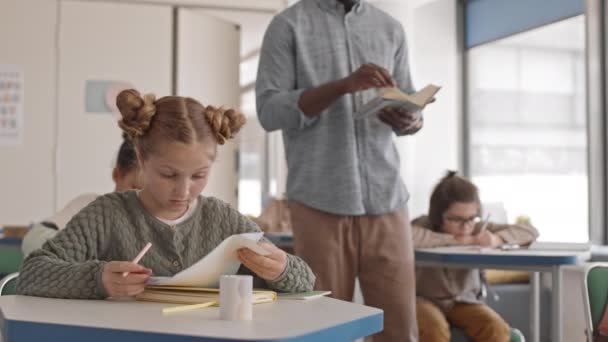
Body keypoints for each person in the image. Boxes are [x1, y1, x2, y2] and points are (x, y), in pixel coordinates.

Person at [16, 89, 315, 299]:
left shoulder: (223, 220)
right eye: (169, 175)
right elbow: (32, 274)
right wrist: (98, 279)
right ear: (142, 160)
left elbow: (306, 280)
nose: (183, 191)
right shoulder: (106, 214)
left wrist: (282, 269)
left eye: (199, 176)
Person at [255, 0, 423, 340]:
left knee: (401, 331)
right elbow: (269, 111)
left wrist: (411, 118)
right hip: (319, 202)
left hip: (388, 199)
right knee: (323, 331)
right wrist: (342, 86)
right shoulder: (288, 25)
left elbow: (411, 104)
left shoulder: (391, 28)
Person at [412, 171, 539, 342]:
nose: (465, 227)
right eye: (456, 220)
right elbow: (407, 236)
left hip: (465, 301)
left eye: (471, 218)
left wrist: (496, 239)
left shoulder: (477, 228)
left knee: (496, 328)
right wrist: (457, 241)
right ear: (438, 216)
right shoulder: (423, 225)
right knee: (434, 329)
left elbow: (530, 231)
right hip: (423, 300)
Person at [21, 135, 143, 257]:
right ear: (117, 175)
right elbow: (32, 240)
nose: (142, 199)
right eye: (136, 188)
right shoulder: (91, 204)